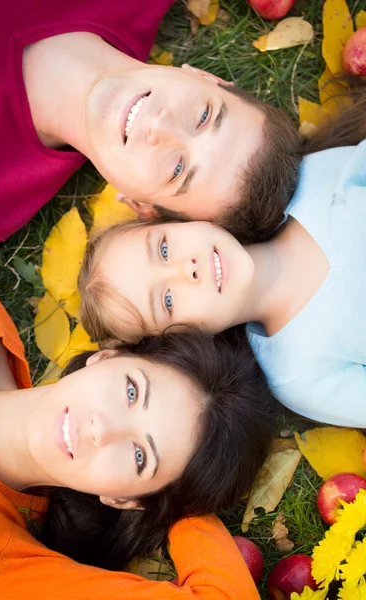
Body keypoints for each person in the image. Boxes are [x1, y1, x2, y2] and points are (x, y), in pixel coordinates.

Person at [0, 268, 275, 598]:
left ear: (124, 500)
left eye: (140, 457)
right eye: (131, 392)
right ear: (106, 356)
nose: (102, 429)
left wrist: (181, 506)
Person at [77, 89, 366, 428]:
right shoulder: (298, 375)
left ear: (171, 220)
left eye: (164, 249)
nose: (188, 269)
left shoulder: (316, 179)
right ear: (185, 339)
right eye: (167, 300)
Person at [0, 0, 301, 253]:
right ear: (205, 77)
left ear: (142, 208)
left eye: (177, 169)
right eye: (203, 116)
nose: (162, 126)